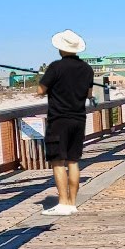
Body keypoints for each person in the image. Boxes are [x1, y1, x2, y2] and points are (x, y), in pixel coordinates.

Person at [38, 30, 94, 216]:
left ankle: (63, 203)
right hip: (79, 119)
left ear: (61, 48)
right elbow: (89, 94)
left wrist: (44, 78)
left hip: (59, 120)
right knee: (73, 161)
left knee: (57, 162)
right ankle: (72, 203)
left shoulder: (55, 67)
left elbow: (41, 90)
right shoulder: (87, 69)